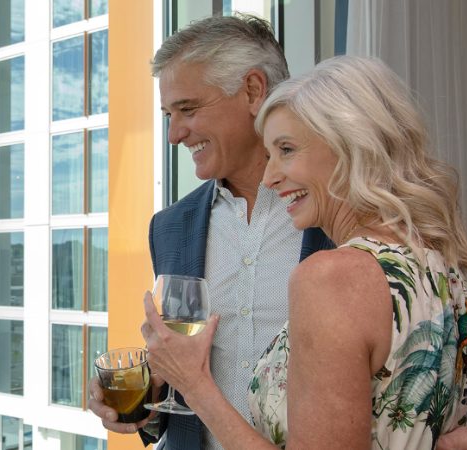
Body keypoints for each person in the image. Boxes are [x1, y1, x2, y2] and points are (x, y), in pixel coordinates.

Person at [141, 55, 467, 449]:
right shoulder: (447, 261)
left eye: (286, 150)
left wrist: (194, 383)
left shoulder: (329, 277)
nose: (270, 176)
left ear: (349, 146)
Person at [88, 14, 334, 450]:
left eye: (187, 108)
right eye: (168, 114)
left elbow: (461, 323)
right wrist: (144, 401)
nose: (174, 134)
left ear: (254, 91)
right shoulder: (169, 228)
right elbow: (178, 376)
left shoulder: (338, 205)